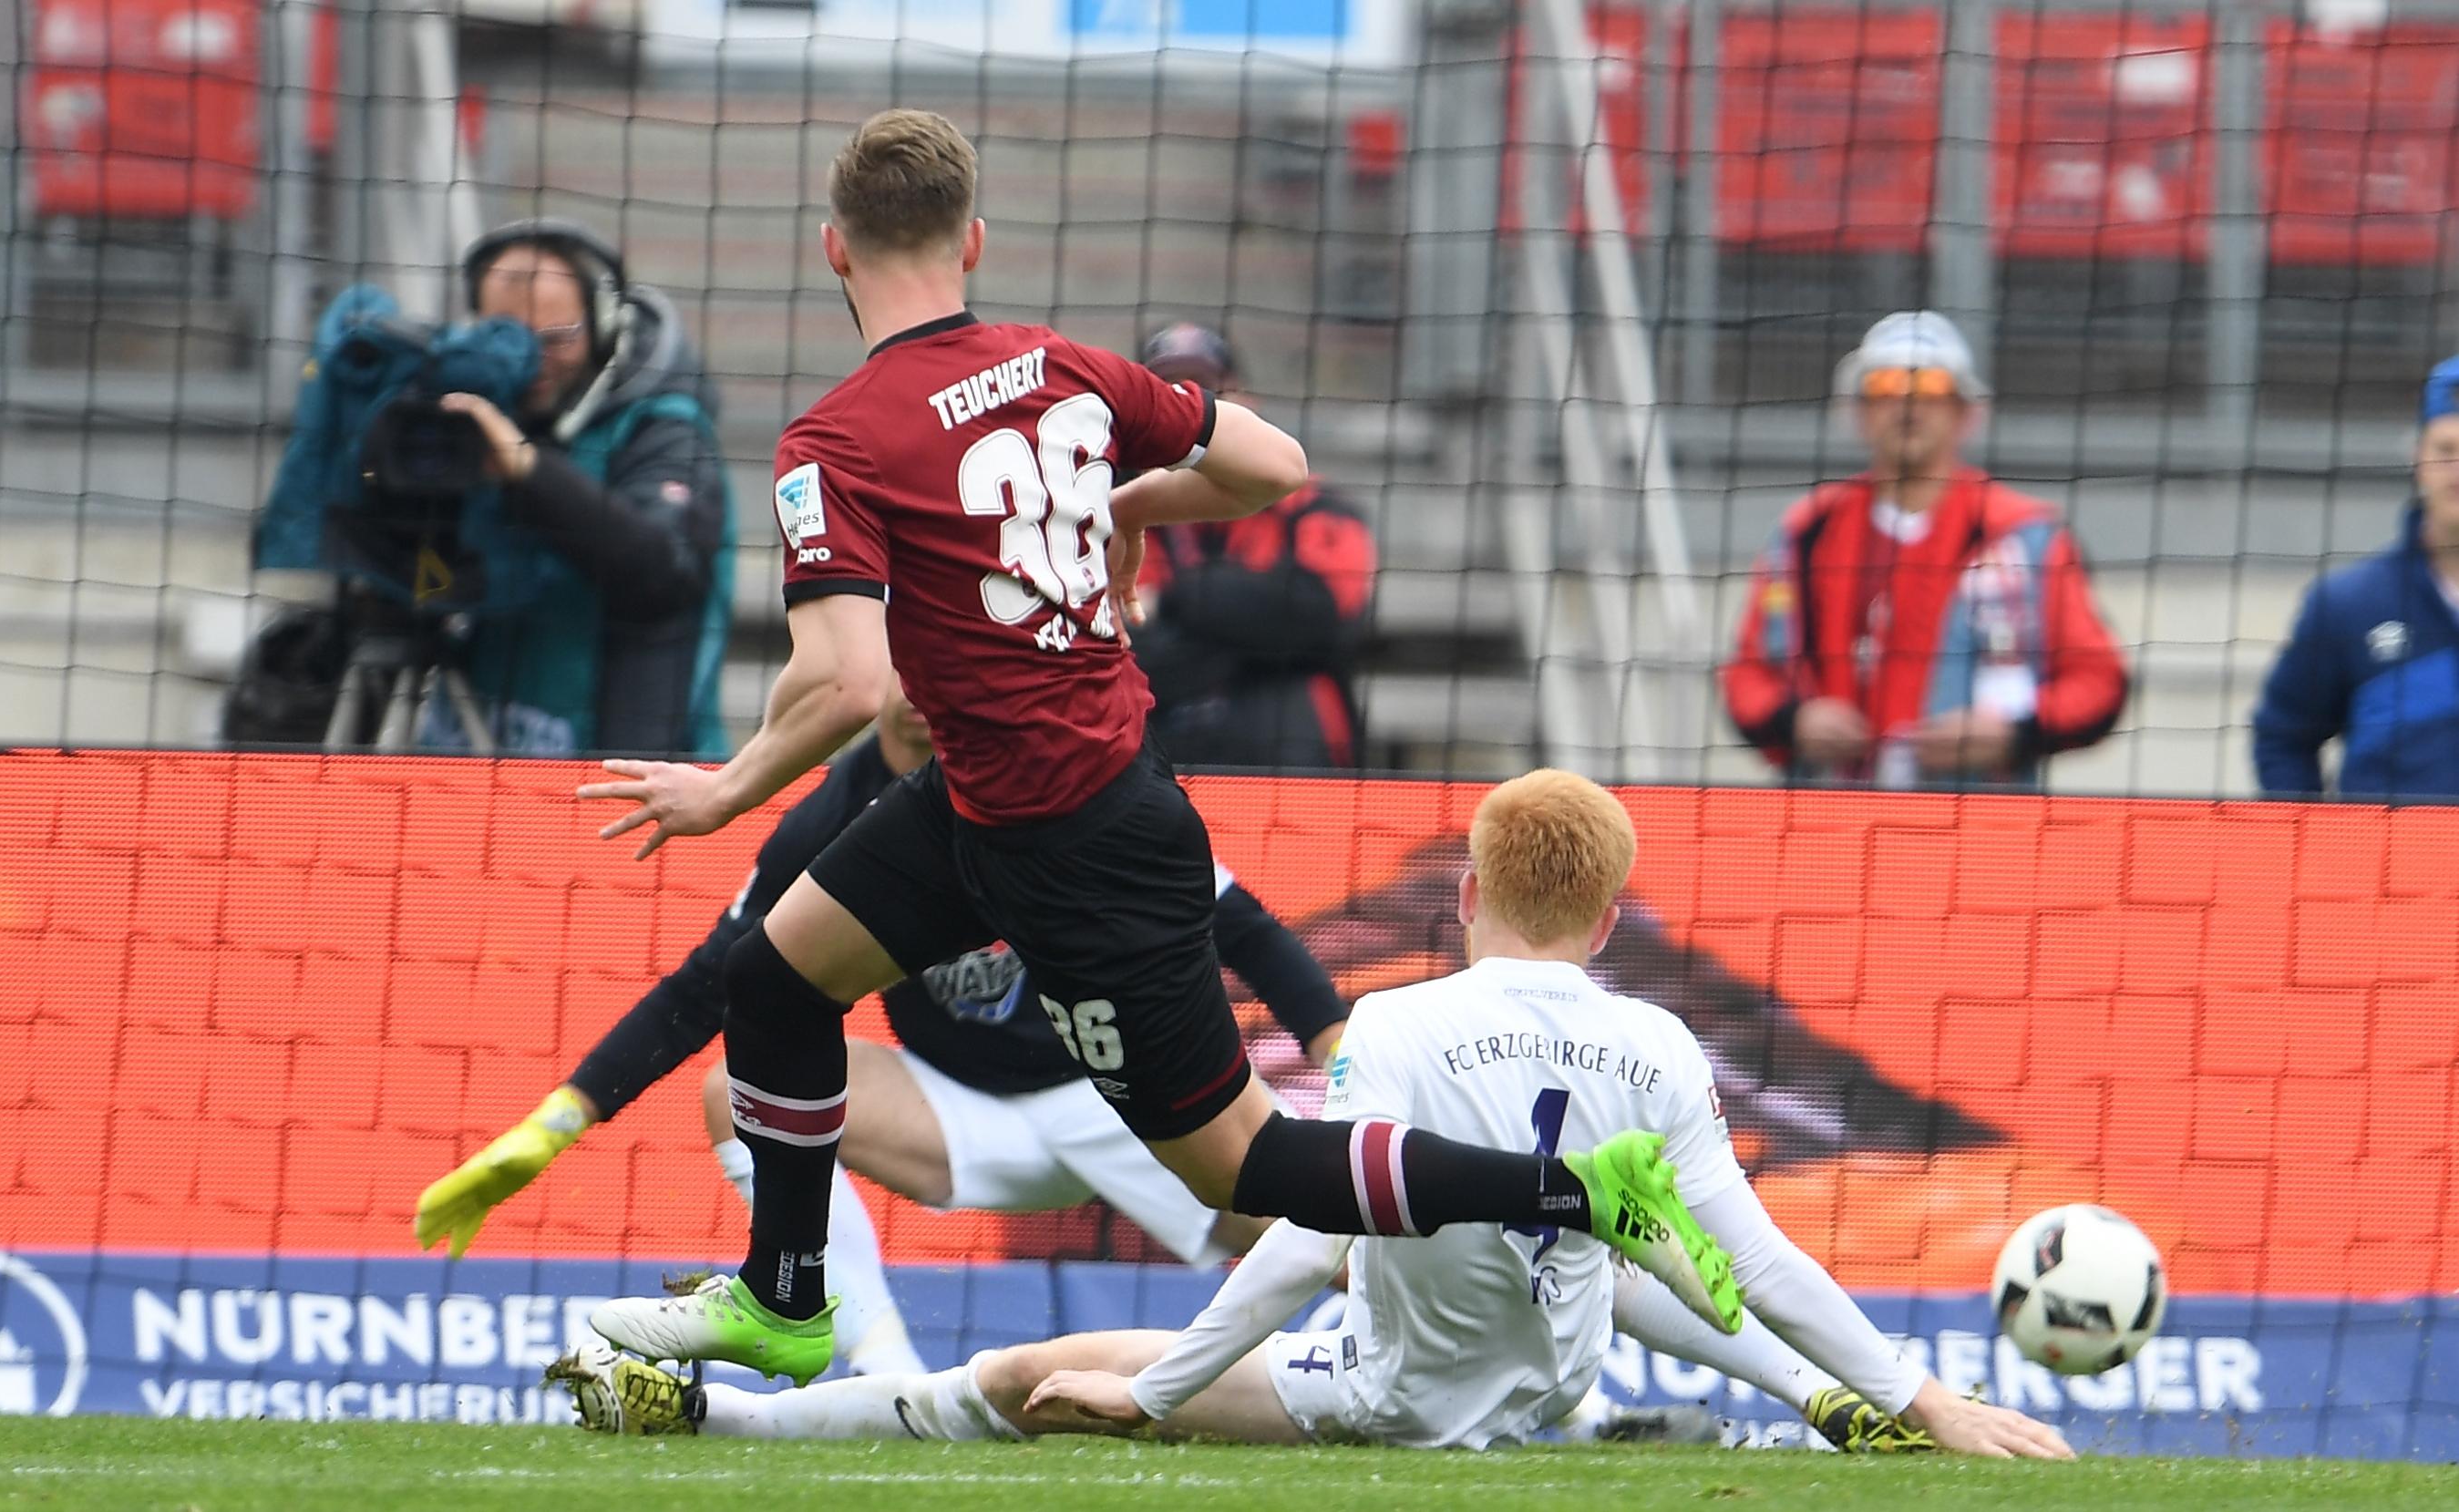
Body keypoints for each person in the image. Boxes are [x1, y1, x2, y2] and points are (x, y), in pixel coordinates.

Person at [571, 108, 1743, 1389]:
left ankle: (1579, 1188)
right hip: (986, 802)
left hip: (1082, 837)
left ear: (832, 250)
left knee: (1248, 1166)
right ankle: (788, 1297)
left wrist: (725, 789)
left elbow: (848, 679)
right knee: (775, 980)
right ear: (974, 239)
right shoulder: (1062, 367)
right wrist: (1121, 494)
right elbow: (1275, 464)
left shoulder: (834, 441)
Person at [552, 771, 2070, 1460]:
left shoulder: (1396, 1021)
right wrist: (1916, 1393)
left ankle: (726, 1413)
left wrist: (1162, 1387)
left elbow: (1302, 1238)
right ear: (1610, 918)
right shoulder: (1665, 1043)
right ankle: (1821, 1402)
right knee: (1615, 1233)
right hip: (1548, 1384)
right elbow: (1754, 1259)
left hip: (1380, 1393)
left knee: (1024, 1374)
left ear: (1466, 892)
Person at [413, 681, 1349, 1375]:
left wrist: (1340, 1053)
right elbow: (708, 988)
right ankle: (884, 1377)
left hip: (1110, 1093)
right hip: (959, 1114)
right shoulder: (826, 822)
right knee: (734, 1090)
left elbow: (1246, 930)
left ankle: (1415, 1326)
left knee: (1311, 1228)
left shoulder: (1049, 776)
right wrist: (560, 1121)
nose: (926, 685)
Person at [1721, 311, 2127, 789]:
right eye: (1886, 387)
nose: (1909, 405)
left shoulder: (2027, 537)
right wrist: (1795, 721)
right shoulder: (1805, 533)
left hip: (1980, 817)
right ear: (1859, 412)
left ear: (1964, 412)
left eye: (1932, 388)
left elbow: (2099, 681)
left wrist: (2014, 732)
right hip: (1828, 818)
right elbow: (1746, 676)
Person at [424, 219, 736, 756]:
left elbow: (662, 568)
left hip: (629, 773)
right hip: (480, 756)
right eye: (507, 339)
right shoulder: (471, 415)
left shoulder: (665, 429)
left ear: (605, 322)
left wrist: (529, 470)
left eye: (556, 339)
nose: (532, 362)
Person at [1129, 323, 1376, 770]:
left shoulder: (1315, 505)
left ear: (1246, 404)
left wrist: (1173, 600)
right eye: (1168, 395)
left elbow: (1321, 616)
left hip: (1290, 754)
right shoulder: (1113, 514)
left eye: (1206, 391)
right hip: (1163, 746)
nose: (1188, 408)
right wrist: (1250, 637)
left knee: (1292, 696)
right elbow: (1126, 650)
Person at [2252, 355, 2459, 799]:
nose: (2458, 472)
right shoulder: (2348, 604)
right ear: (2418, 458)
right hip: (2388, 846)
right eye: (2446, 450)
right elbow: (2283, 738)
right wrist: (2309, 836)